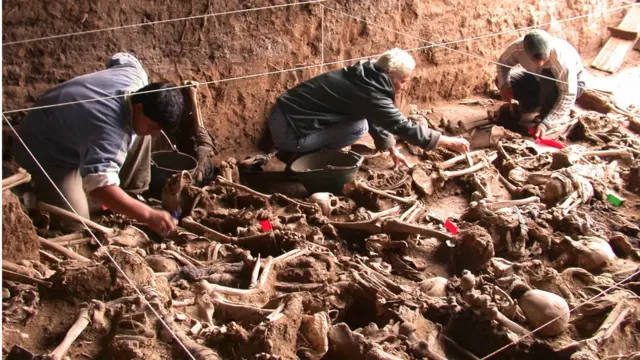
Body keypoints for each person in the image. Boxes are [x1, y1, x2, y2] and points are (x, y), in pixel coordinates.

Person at [12, 53, 184, 236]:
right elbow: (99, 187)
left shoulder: (136, 77)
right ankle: (34, 192)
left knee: (143, 134)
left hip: (64, 123)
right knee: (76, 226)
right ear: (139, 108)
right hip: (44, 149)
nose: (156, 133)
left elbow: (121, 58)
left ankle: (132, 193)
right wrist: (148, 215)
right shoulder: (109, 132)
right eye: (154, 126)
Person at [268, 48, 470, 170]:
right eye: (403, 81)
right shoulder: (371, 93)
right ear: (390, 76)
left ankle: (298, 154)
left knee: (363, 121)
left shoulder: (365, 76)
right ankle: (307, 159)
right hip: (289, 131)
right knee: (360, 127)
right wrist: (448, 142)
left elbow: (375, 113)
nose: (404, 86)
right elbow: (400, 125)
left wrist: (391, 149)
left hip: (285, 116)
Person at [496, 29, 586, 139]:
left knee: (547, 74)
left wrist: (546, 124)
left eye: (545, 59)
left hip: (571, 86)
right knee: (502, 80)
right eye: (535, 59)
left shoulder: (561, 60)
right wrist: (504, 85)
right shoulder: (517, 48)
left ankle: (548, 115)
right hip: (537, 78)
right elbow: (502, 64)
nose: (541, 64)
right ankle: (532, 105)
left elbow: (568, 95)